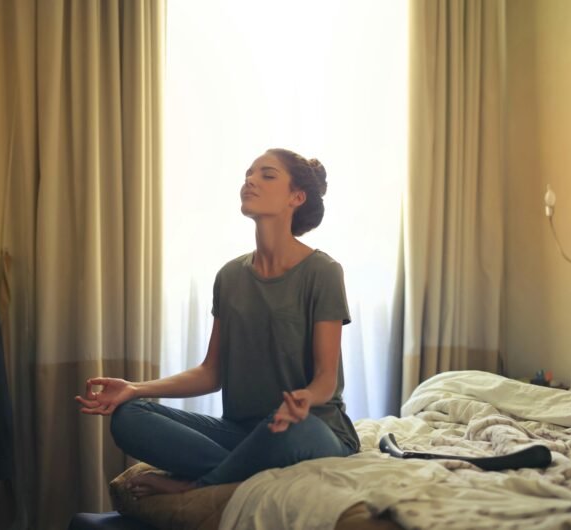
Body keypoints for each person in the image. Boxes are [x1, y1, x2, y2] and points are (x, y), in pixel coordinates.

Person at [75, 148, 359, 497]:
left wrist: (305, 397)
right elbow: (211, 373)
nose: (250, 181)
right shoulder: (229, 276)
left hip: (308, 427)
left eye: (267, 175)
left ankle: (197, 486)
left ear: (296, 197)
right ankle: (239, 470)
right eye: (248, 174)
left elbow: (326, 379)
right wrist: (136, 388)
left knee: (290, 432)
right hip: (240, 433)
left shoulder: (323, 272)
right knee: (130, 416)